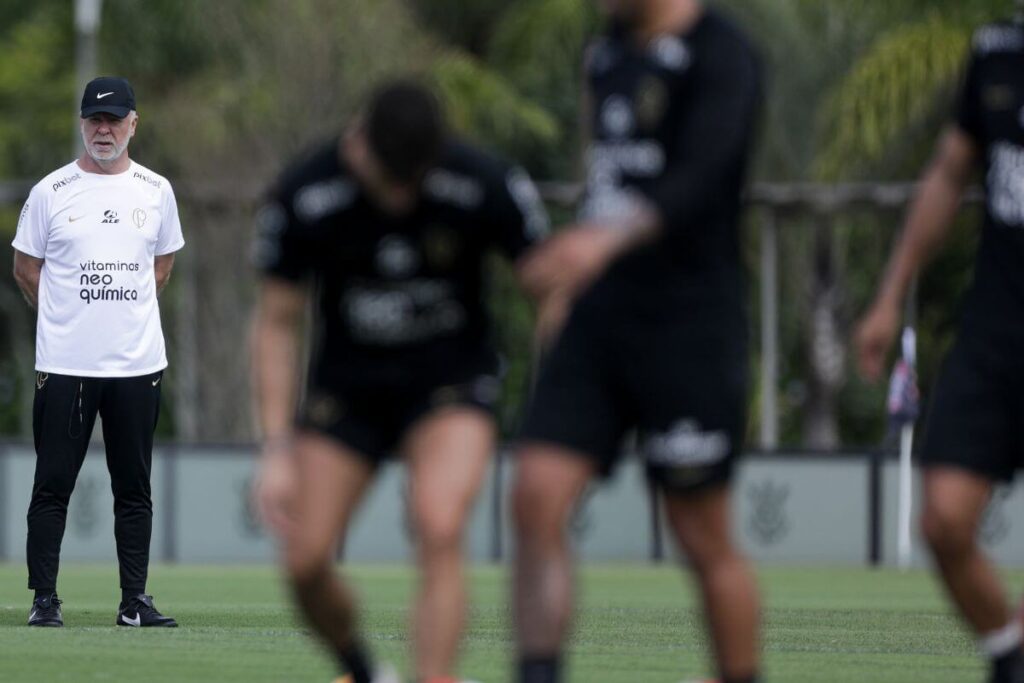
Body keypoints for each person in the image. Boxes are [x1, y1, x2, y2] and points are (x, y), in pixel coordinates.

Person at [250, 80, 551, 683]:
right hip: (348, 391)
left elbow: (549, 287)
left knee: (439, 523)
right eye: (388, 180)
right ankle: (363, 670)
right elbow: (277, 324)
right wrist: (277, 448)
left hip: (450, 385)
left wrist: (555, 406)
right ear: (358, 145)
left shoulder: (483, 182)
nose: (399, 197)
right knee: (304, 562)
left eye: (411, 183)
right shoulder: (306, 191)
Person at [510, 1, 764, 682]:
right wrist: (565, 283)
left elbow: (699, 179)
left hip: (690, 322)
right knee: (534, 493)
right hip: (599, 319)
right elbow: (605, 184)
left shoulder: (724, 54)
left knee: (699, 527)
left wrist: (602, 241)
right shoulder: (608, 53)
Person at [855, 13, 1024, 683]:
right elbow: (950, 173)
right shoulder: (997, 53)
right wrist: (889, 294)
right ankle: (1010, 654)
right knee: (944, 519)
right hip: (997, 330)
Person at [11, 76, 182, 628]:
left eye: (114, 120)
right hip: (65, 365)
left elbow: (162, 265)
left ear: (134, 123)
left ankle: (134, 602)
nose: (103, 129)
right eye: (94, 119)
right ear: (82, 123)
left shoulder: (156, 190)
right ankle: (44, 600)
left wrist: (121, 316)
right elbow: (25, 269)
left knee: (134, 487)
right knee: (52, 484)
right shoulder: (50, 192)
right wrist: (69, 319)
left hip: (136, 365)